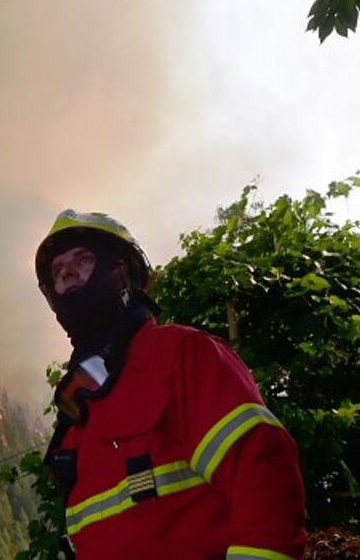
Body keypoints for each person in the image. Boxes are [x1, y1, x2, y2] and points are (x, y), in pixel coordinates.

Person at [34, 209, 307, 560]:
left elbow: (264, 476)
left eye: (82, 260)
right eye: (57, 271)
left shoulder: (181, 354)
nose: (67, 274)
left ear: (123, 272)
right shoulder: (80, 404)